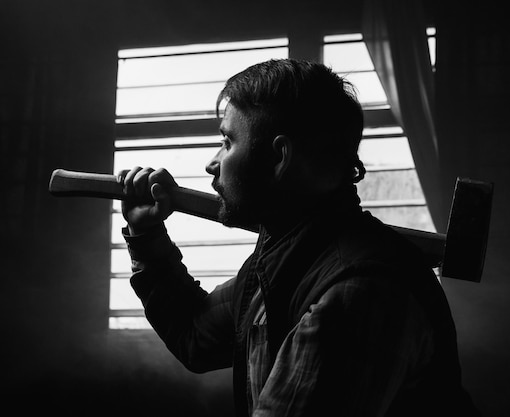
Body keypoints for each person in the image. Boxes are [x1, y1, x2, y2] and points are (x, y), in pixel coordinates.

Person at [120, 58, 480, 416]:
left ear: (279, 156)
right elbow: (195, 337)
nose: (212, 163)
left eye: (227, 141)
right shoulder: (280, 260)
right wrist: (146, 233)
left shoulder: (360, 291)